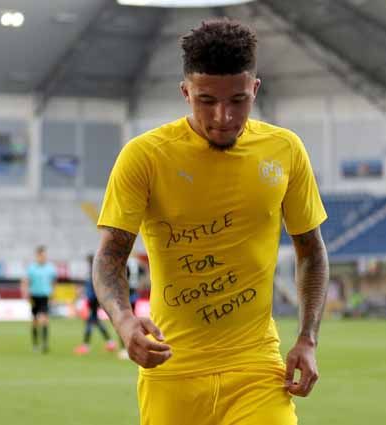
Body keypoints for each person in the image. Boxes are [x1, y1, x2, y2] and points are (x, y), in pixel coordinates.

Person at [92, 19, 328, 425]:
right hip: (172, 369)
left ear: (255, 88)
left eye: (238, 100)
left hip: (256, 366)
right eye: (206, 100)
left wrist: (307, 338)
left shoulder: (285, 150)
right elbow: (109, 258)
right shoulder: (145, 157)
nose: (223, 116)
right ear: (185, 92)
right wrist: (125, 321)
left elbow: (312, 252)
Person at [74, 254, 122, 357]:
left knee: (90, 321)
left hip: (93, 300)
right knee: (95, 321)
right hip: (94, 299)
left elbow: (95, 287)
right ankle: (110, 343)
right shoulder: (95, 272)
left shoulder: (93, 272)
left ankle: (86, 345)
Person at [21, 245, 57, 353]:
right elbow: (26, 281)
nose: (43, 257)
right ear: (37, 256)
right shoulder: (32, 268)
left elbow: (53, 282)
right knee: (35, 321)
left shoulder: (50, 268)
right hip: (34, 296)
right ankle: (35, 344)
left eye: (44, 255)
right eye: (41, 255)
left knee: (44, 319)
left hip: (45, 296)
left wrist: (53, 294)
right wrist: (25, 293)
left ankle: (45, 344)